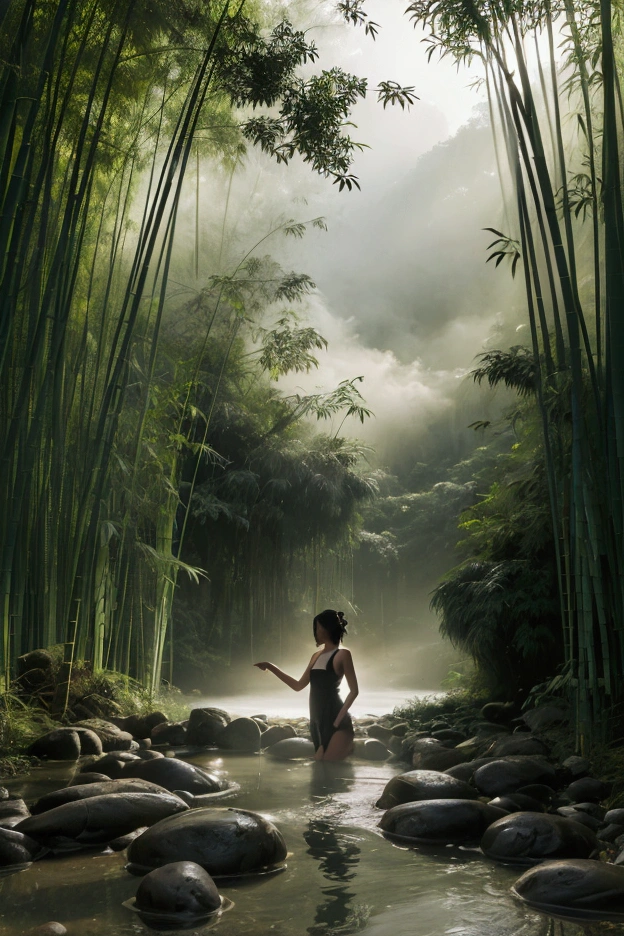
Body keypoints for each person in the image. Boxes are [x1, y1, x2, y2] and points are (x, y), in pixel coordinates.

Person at [254, 609, 358, 761]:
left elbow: (354, 691)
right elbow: (298, 685)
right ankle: (347, 750)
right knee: (320, 769)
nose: (315, 632)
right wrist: (270, 666)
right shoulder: (315, 656)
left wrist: (336, 722)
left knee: (328, 766)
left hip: (337, 722)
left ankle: (348, 745)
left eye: (317, 628)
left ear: (326, 629)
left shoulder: (343, 654)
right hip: (317, 723)